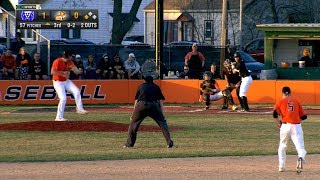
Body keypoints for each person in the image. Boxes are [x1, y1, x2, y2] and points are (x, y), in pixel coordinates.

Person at [124, 75, 174, 148]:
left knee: (133, 124)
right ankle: (169, 142)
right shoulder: (156, 87)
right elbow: (160, 101)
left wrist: (133, 113)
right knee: (162, 123)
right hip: (153, 105)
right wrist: (162, 113)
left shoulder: (141, 86)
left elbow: (136, 101)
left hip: (141, 105)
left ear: (144, 80)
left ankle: (129, 144)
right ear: (152, 80)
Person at [273, 86, 307, 173]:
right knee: (300, 147)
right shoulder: (296, 101)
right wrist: (298, 120)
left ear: (282, 93)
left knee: (282, 146)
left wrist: (278, 122)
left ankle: (281, 166)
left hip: (285, 126)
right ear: (290, 93)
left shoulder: (280, 102)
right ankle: (301, 157)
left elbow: (274, 114)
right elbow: (304, 116)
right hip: (296, 126)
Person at [51, 50, 88, 121]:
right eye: (71, 56)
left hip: (66, 81)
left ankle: (79, 109)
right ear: (68, 56)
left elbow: (76, 71)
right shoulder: (57, 61)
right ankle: (58, 117)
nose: (72, 57)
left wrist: (79, 71)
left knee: (77, 91)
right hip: (58, 82)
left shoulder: (70, 62)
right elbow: (52, 72)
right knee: (63, 98)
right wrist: (63, 73)